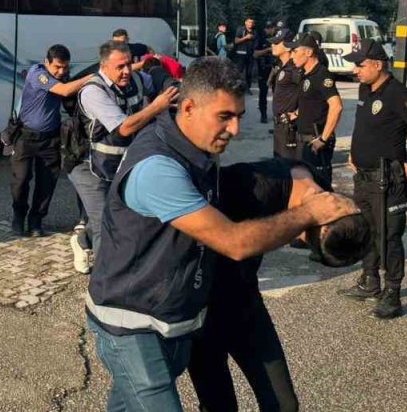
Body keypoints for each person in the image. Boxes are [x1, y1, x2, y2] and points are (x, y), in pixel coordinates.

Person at [85, 57, 359, 411]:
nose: (235, 129)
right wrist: (310, 212)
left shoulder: (195, 151)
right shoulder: (159, 168)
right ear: (188, 107)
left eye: (239, 116)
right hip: (132, 326)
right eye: (225, 116)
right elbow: (234, 243)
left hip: (171, 321)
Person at [189, 158, 370, 412]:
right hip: (201, 312)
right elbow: (226, 242)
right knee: (219, 406)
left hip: (245, 303)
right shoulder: (248, 186)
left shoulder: (319, 191)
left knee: (284, 405)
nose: (300, 239)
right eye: (308, 239)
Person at [338, 39, 407, 319]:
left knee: (388, 237)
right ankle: (370, 280)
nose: (355, 70)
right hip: (364, 177)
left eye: (360, 65)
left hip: (387, 180)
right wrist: (355, 155)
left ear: (378, 65)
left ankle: (392, 293)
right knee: (366, 231)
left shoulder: (397, 93)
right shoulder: (365, 88)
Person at [70, 40, 178, 259]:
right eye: (120, 67)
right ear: (104, 67)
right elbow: (125, 128)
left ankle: (83, 240)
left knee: (122, 215)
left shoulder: (136, 79)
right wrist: (156, 106)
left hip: (118, 164)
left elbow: (154, 81)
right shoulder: (92, 91)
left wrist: (170, 82)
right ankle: (104, 287)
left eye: (129, 64)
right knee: (106, 226)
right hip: (88, 167)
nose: (127, 71)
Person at [12, 44, 93, 237]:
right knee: (20, 180)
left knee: (46, 183)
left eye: (65, 67)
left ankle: (36, 221)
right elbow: (64, 91)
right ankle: (18, 216)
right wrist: (90, 77)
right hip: (26, 137)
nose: (61, 71)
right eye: (57, 67)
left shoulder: (63, 77)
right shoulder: (37, 73)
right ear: (46, 62)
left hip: (50, 139)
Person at [289, 33, 342, 193]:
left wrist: (323, 139)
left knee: (320, 188)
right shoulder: (307, 75)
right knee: (306, 186)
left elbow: (336, 106)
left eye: (295, 51)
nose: (292, 56)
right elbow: (313, 102)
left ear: (308, 52)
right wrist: (298, 114)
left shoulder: (322, 75)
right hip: (304, 140)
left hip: (316, 142)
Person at [269, 31, 302, 160]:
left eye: (277, 43)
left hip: (289, 126)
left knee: (288, 168)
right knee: (278, 163)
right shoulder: (281, 66)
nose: (273, 45)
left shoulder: (294, 69)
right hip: (279, 125)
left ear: (288, 46)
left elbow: (312, 94)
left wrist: (297, 113)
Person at [252, 21, 277, 123]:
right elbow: (255, 54)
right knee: (263, 93)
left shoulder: (277, 38)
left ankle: (277, 115)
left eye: (271, 28)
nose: (270, 30)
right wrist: (267, 50)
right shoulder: (260, 39)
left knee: (277, 93)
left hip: (275, 69)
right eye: (268, 28)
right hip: (263, 69)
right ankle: (263, 114)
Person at [233, 17, 258, 86]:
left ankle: (248, 87)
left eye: (252, 22)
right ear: (245, 22)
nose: (250, 24)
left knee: (249, 72)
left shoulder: (254, 32)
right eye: (249, 22)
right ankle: (237, 86)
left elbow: (256, 43)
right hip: (241, 53)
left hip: (250, 55)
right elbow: (236, 41)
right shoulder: (240, 29)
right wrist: (245, 38)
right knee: (239, 71)